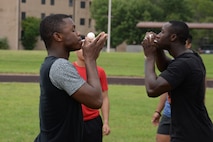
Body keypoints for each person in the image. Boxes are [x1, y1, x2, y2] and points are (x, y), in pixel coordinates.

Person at [34, 14, 108, 142]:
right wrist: (90, 58)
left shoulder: (50, 63)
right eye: (73, 30)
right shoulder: (60, 66)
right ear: (58, 36)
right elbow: (96, 100)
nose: (78, 33)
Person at [142, 21, 213, 142]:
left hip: (192, 134)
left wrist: (149, 57)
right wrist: (157, 49)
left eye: (162, 32)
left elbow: (152, 89)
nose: (158, 35)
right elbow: (165, 66)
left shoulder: (184, 64)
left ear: (173, 37)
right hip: (193, 131)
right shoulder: (189, 58)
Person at [151, 35, 193, 142]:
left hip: (185, 115)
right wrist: (158, 111)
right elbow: (165, 90)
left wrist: (149, 58)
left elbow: (152, 89)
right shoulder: (173, 64)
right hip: (168, 113)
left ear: (189, 45)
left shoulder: (193, 65)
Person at [73, 46, 110, 142]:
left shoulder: (99, 71)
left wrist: (106, 122)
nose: (84, 51)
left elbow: (104, 97)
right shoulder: (70, 70)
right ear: (75, 50)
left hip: (92, 121)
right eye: (81, 48)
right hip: (73, 121)